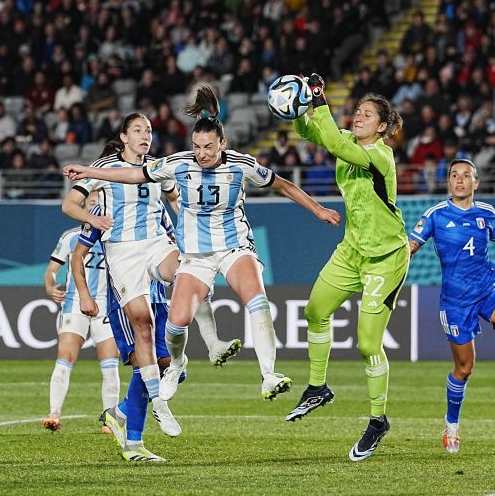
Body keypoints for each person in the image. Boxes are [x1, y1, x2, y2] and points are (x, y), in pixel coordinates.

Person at [63, 86, 340, 414]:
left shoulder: (241, 165)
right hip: (195, 255)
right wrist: (89, 171)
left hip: (234, 246)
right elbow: (135, 175)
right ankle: (177, 365)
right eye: (197, 146)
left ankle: (268, 374)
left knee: (257, 299)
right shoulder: (179, 164)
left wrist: (318, 209)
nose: (202, 153)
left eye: (209, 147)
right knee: (176, 325)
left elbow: (283, 185)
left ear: (222, 144)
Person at [61, 112, 240, 438]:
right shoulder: (105, 167)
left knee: (190, 271)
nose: (145, 135)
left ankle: (211, 343)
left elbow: (177, 200)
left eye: (149, 130)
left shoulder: (159, 166)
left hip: (156, 243)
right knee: (142, 325)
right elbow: (70, 204)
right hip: (122, 251)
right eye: (138, 130)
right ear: (124, 137)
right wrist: (93, 218)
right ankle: (158, 404)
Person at [287, 74, 410, 462]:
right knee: (315, 310)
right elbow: (309, 130)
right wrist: (297, 104)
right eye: (357, 111)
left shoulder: (379, 155)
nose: (358, 116)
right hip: (352, 251)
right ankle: (318, 387)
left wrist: (320, 99)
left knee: (368, 344)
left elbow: (335, 142)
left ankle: (378, 420)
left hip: (386, 257)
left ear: (383, 127)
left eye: (367, 114)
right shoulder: (349, 141)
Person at [409, 159, 495, 453]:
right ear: (448, 182)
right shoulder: (435, 215)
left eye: (466, 176)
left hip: (488, 288)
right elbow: (409, 248)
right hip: (455, 301)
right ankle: (451, 425)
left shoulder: (487, 212)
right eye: (454, 176)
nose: (459, 180)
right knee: (464, 368)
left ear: (476, 183)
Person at [72, 202, 177, 462]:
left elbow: (174, 243)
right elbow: (77, 255)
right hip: (125, 301)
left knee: (173, 368)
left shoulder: (155, 204)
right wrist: (84, 295)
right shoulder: (102, 211)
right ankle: (133, 443)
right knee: (144, 367)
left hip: (158, 299)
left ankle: (119, 412)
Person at [42, 220, 119, 431]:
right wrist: (50, 285)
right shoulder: (71, 236)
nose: (95, 207)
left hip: (106, 305)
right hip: (74, 304)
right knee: (65, 356)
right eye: (91, 202)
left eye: (98, 203)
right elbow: (51, 270)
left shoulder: (116, 235)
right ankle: (54, 413)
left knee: (110, 363)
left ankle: (110, 420)